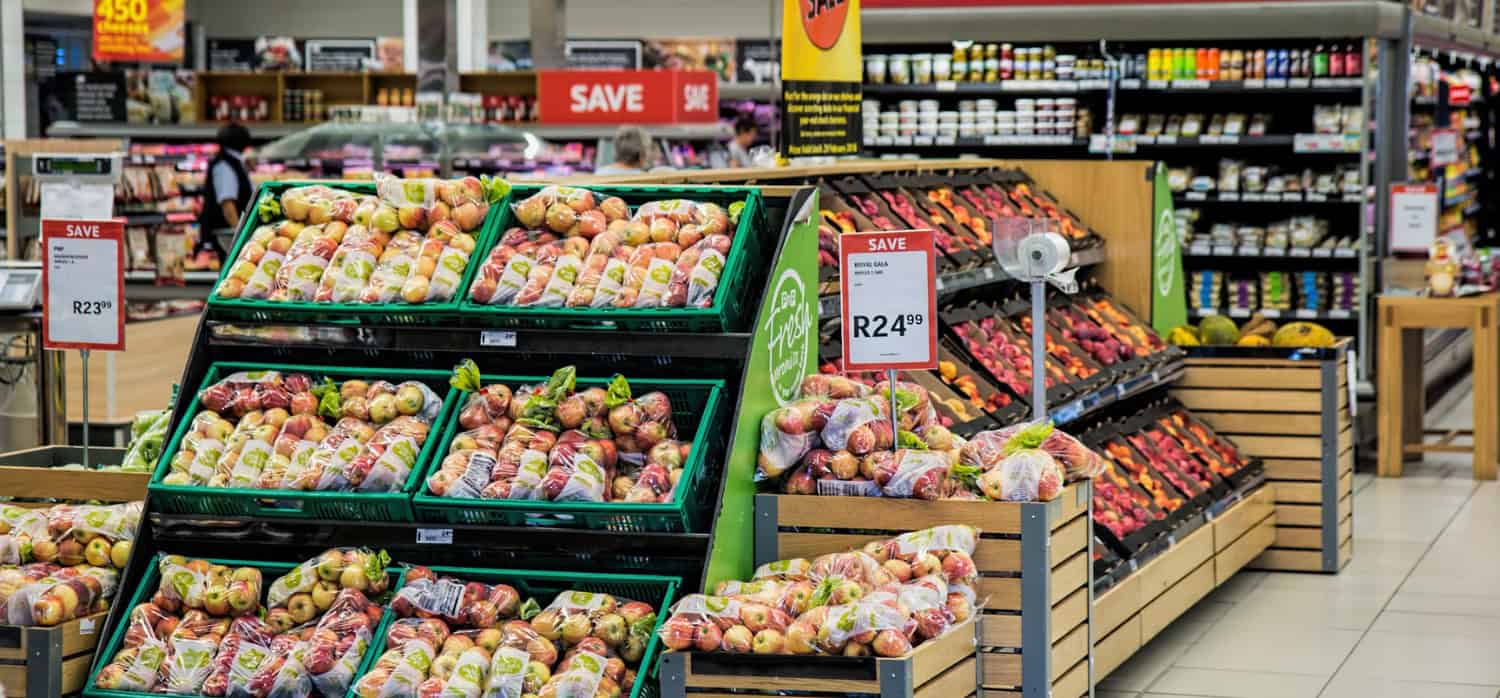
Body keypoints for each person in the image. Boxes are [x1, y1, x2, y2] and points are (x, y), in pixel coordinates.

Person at [200, 122, 253, 261]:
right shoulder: (225, 165)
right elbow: (227, 203)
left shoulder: (231, 162)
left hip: (227, 234)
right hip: (226, 236)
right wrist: (239, 234)